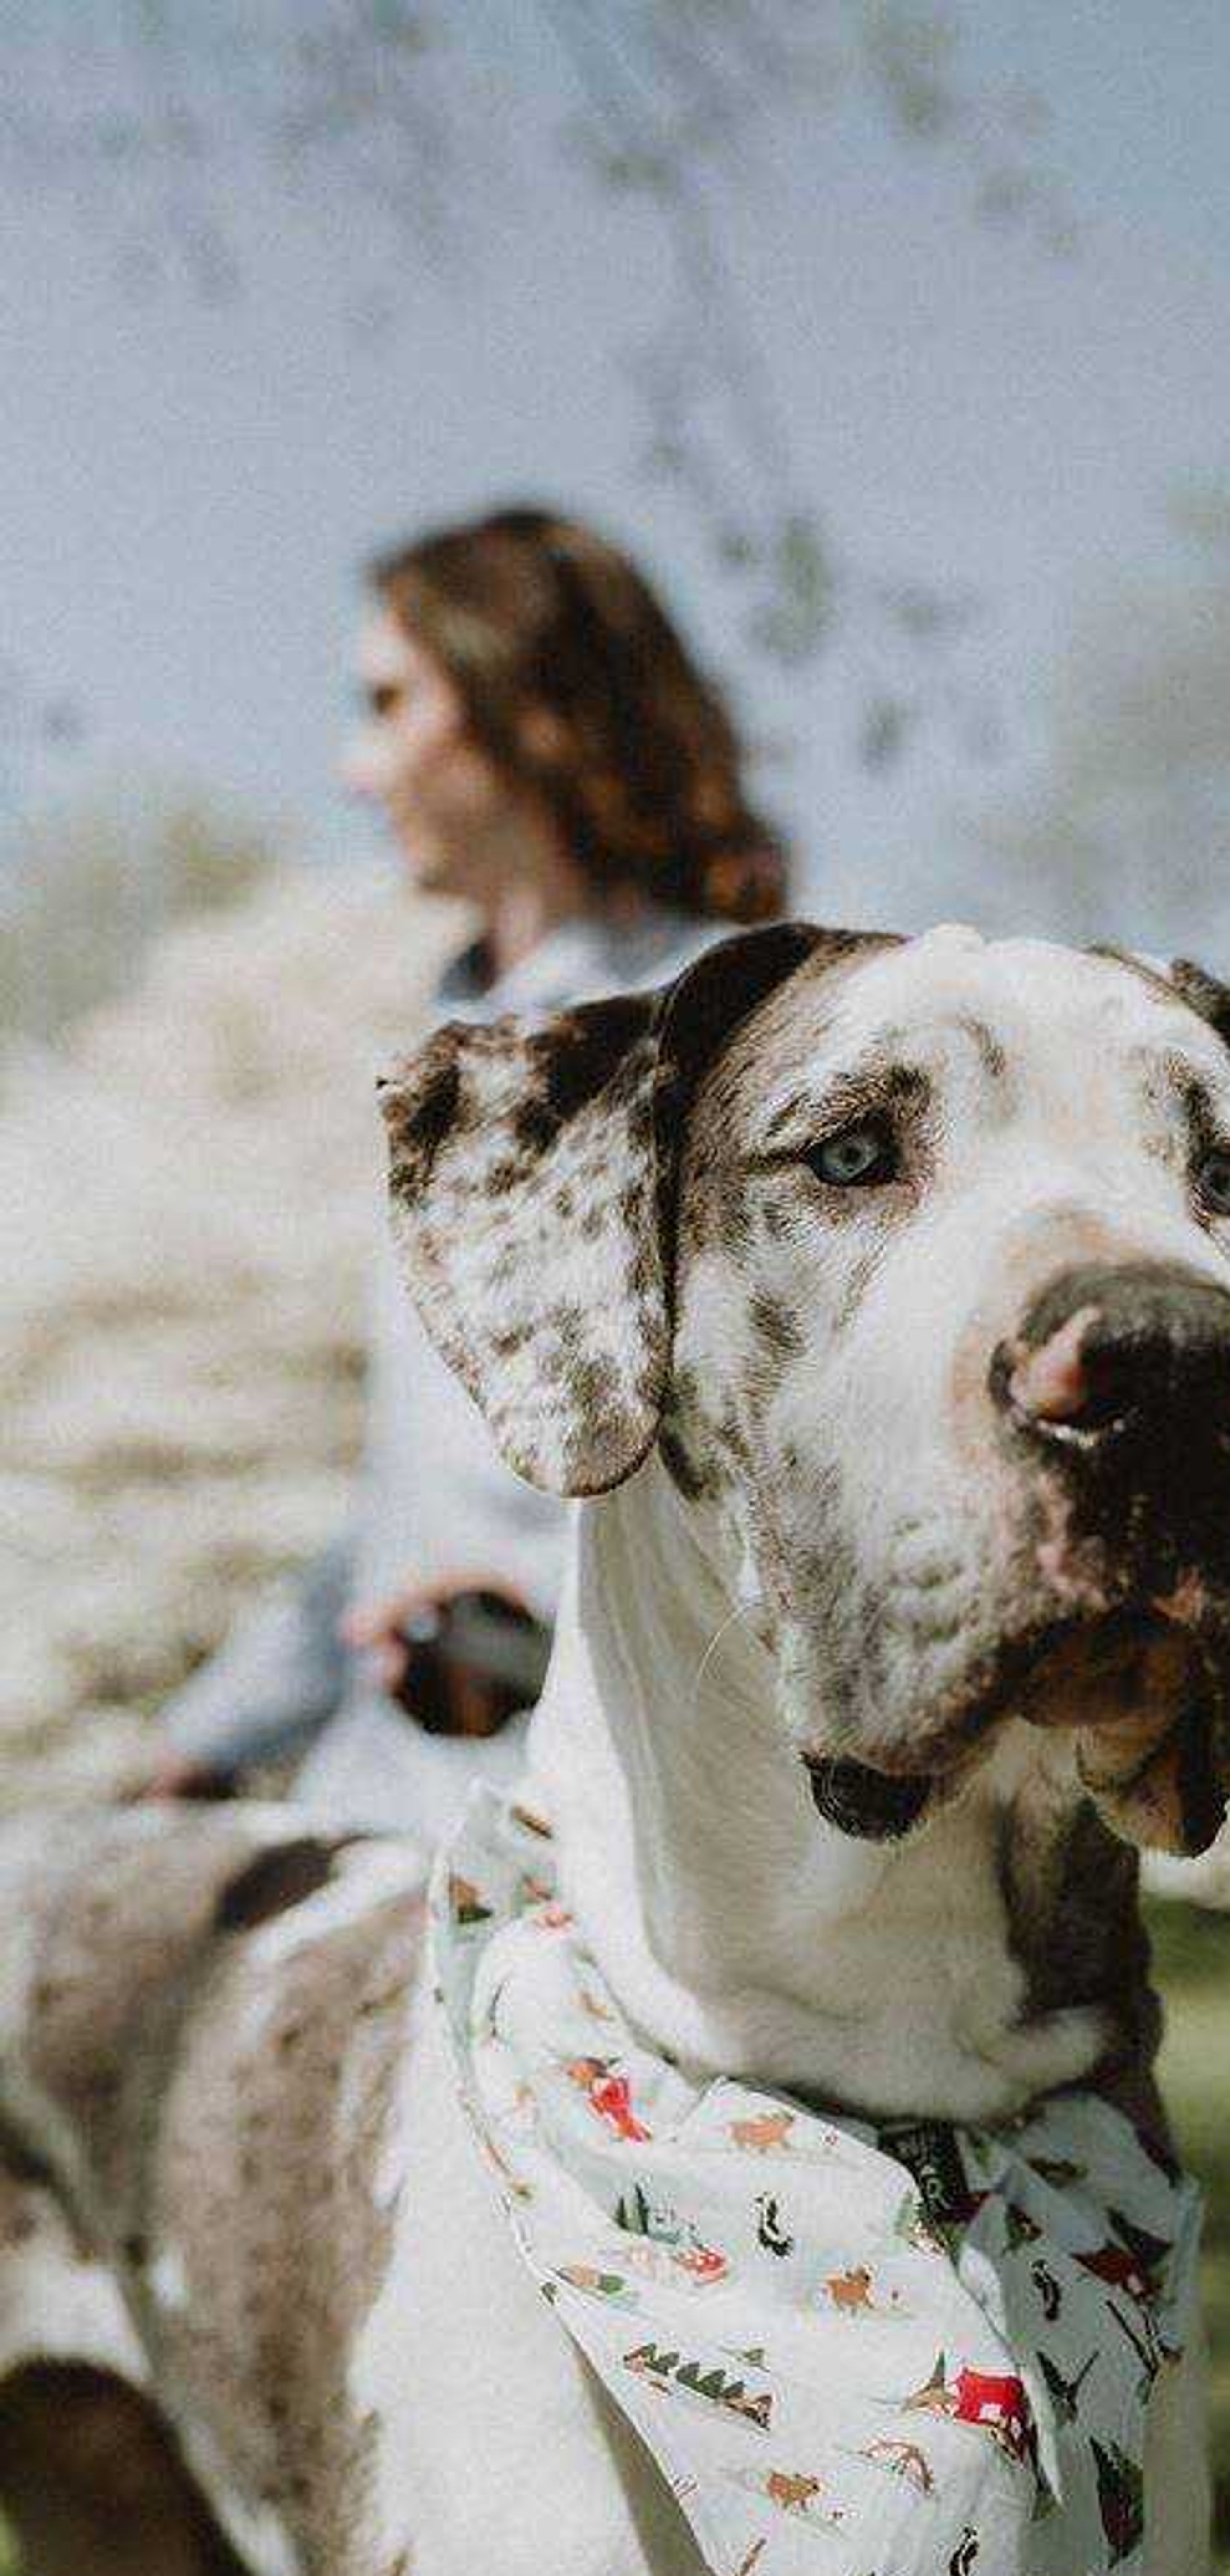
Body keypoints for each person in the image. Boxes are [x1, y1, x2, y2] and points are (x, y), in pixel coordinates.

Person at [141, 505, 786, 1834]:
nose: (353, 768)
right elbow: (419, 1500)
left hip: (626, 1836)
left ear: (525, 706)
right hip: (386, 1805)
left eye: (388, 703)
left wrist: (523, 1636)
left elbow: (771, 1462)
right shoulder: (450, 1045)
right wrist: (207, 1734)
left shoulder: (724, 1038)